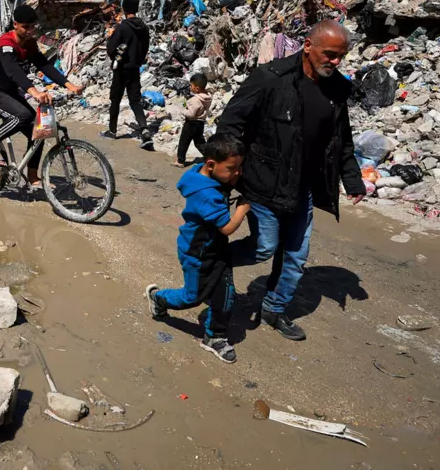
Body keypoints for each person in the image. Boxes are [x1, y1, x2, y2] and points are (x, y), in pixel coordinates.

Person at [216, 20, 367, 342]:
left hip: (304, 188)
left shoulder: (337, 88)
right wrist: (226, 173)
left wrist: (352, 178)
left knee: (295, 256)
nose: (335, 62)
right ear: (308, 46)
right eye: (329, 54)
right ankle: (216, 259)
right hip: (264, 183)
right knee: (264, 248)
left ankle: (274, 307)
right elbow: (230, 123)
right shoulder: (271, 79)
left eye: (341, 56)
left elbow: (342, 139)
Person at [145, 134, 251, 364]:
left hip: (216, 251)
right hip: (198, 254)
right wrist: (242, 208)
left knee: (226, 295)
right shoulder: (206, 195)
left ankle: (215, 337)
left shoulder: (203, 173)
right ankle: (159, 298)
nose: (237, 173)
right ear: (211, 165)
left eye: (240, 167)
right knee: (193, 297)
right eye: (233, 168)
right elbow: (227, 228)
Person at [0, 4, 83, 187]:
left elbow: (44, 65)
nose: (29, 31)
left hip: (9, 93)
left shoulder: (30, 43)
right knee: (23, 115)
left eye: (32, 26)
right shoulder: (5, 44)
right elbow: (13, 72)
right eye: (25, 27)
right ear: (15, 24)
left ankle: (33, 177)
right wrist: (34, 92)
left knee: (39, 131)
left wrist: (69, 85)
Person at [100, 0, 152, 149]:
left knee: (115, 98)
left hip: (121, 69)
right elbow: (145, 49)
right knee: (135, 100)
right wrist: (137, 60)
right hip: (135, 68)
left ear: (124, 9)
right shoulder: (144, 28)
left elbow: (111, 48)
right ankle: (145, 132)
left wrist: (116, 55)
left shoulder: (123, 27)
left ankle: (112, 130)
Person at [175, 74, 212, 167]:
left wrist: (182, 111)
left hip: (191, 123)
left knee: (184, 141)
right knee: (200, 142)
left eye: (191, 85)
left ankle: (180, 160)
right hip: (200, 123)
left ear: (197, 88)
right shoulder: (207, 98)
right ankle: (210, 156)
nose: (190, 87)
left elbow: (191, 114)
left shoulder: (195, 100)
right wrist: (185, 104)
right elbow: (193, 109)